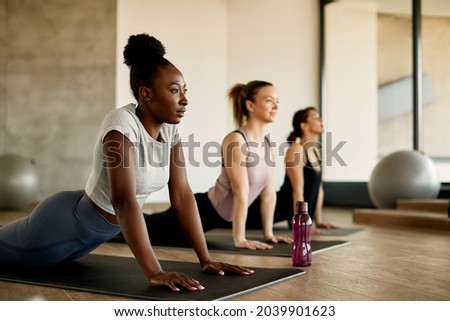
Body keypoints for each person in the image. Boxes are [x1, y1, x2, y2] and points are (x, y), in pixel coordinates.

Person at [0, 33, 254, 292]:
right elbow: (122, 200)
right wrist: (155, 271)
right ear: (146, 93)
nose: (184, 99)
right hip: (59, 227)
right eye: (175, 90)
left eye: (184, 91)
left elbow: (182, 195)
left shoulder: (170, 132)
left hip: (87, 239)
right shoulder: (121, 124)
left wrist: (206, 259)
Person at [144, 81, 292, 250]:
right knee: (143, 229)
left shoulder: (269, 145)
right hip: (200, 211)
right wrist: (240, 239)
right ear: (250, 105)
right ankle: (115, 217)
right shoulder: (236, 140)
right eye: (268, 100)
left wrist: (269, 234)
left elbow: (268, 194)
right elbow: (240, 192)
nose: (275, 106)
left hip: (216, 219)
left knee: (147, 227)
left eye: (277, 101)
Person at [275, 107, 339, 232]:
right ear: (304, 126)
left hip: (296, 213)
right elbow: (297, 190)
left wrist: (318, 221)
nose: (321, 120)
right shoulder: (296, 150)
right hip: (275, 209)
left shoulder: (316, 152)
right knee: (228, 221)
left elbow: (318, 188)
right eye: (315, 117)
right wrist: (301, 223)